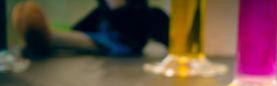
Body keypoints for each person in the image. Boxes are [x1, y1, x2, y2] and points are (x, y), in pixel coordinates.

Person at [12, 0, 169, 57]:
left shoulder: (147, 13)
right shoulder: (103, 11)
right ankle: (44, 43)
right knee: (82, 39)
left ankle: (48, 39)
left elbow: (166, 33)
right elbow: (89, 21)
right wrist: (75, 30)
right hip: (101, 36)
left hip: (120, 44)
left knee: (86, 41)